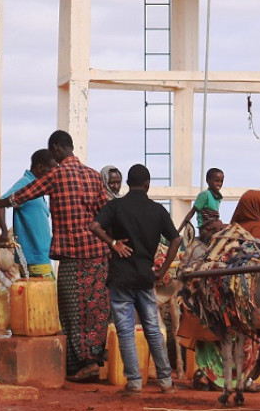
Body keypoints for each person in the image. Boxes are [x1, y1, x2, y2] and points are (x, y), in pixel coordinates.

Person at [0, 130, 109, 381]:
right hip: (97, 254)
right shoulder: (95, 176)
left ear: (57, 148)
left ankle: (79, 365)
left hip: (72, 256)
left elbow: (18, 197)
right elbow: (106, 212)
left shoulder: (56, 175)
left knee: (71, 310)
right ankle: (94, 358)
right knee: (95, 308)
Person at [88, 164, 181, 396]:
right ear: (148, 184)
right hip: (145, 277)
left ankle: (134, 383)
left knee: (126, 331)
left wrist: (113, 243)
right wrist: (162, 270)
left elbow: (94, 226)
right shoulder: (158, 210)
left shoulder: (116, 206)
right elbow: (176, 241)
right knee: (152, 328)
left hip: (120, 278)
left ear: (128, 183)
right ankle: (166, 382)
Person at [0, 149, 57, 277]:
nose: (52, 176)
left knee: (45, 296)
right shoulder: (25, 184)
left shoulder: (37, 187)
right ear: (40, 168)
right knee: (43, 296)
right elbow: (2, 202)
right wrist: (4, 231)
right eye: (50, 171)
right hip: (34, 258)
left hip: (42, 256)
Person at [179, 168, 225, 236]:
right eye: (216, 181)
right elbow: (192, 212)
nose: (219, 184)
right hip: (206, 229)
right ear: (208, 180)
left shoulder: (218, 197)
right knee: (220, 225)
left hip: (215, 226)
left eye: (221, 181)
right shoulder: (205, 195)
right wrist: (178, 231)